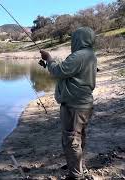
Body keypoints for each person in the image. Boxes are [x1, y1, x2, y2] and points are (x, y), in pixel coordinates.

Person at [40, 27, 97, 180]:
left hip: (74, 106)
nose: (73, 41)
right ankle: (79, 166)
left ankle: (75, 175)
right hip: (84, 104)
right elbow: (69, 72)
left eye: (75, 38)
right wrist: (50, 64)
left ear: (79, 39)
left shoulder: (79, 55)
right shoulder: (90, 54)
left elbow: (59, 71)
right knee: (79, 137)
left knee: (71, 139)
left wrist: (49, 59)